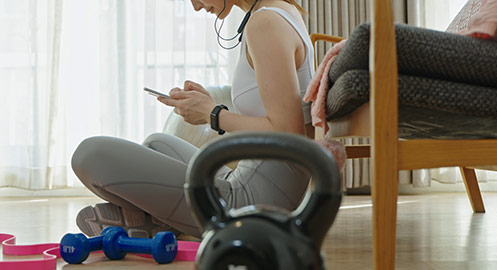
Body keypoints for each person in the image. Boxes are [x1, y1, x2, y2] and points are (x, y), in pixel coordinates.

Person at [72, 0, 315, 239]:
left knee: (89, 154)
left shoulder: (265, 23)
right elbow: (270, 118)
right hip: (253, 181)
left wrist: (214, 115)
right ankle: (165, 221)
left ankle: (165, 220)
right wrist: (209, 108)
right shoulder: (278, 11)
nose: (195, 6)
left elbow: (288, 134)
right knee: (158, 143)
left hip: (253, 204)